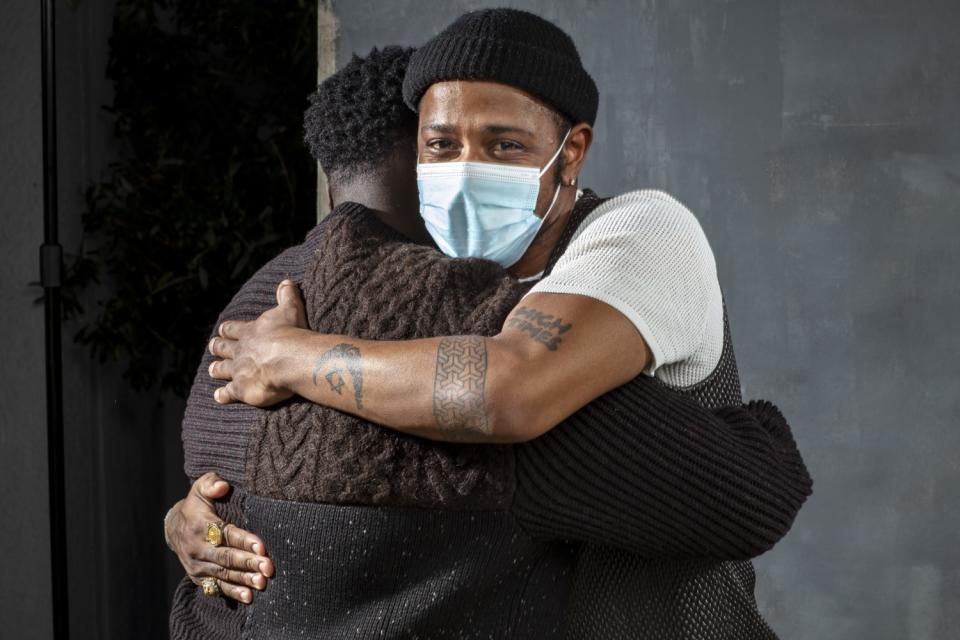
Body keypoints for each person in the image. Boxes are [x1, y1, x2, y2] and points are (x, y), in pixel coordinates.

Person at [168, 33, 810, 640]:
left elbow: (227, 488)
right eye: (443, 148)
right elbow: (750, 494)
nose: (466, 202)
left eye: (501, 145)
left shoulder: (252, 317)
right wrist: (762, 450)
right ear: (420, 157)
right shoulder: (459, 340)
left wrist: (187, 515)